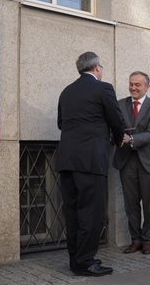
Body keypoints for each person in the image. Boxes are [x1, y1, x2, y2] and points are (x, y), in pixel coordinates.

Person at [55, 52, 125, 276]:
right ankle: (86, 262)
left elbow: (60, 123)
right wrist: (118, 138)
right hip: (91, 159)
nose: (102, 71)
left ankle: (75, 261)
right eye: (101, 67)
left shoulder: (66, 91)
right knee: (91, 213)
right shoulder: (103, 88)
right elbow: (116, 119)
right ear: (96, 67)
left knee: (73, 212)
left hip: (67, 159)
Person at [113, 71, 150, 255]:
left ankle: (147, 241)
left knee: (149, 204)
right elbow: (113, 127)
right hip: (126, 160)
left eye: (137, 84)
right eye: (131, 84)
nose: (133, 88)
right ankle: (135, 240)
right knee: (131, 204)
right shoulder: (119, 104)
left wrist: (131, 139)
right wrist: (118, 137)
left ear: (147, 87)